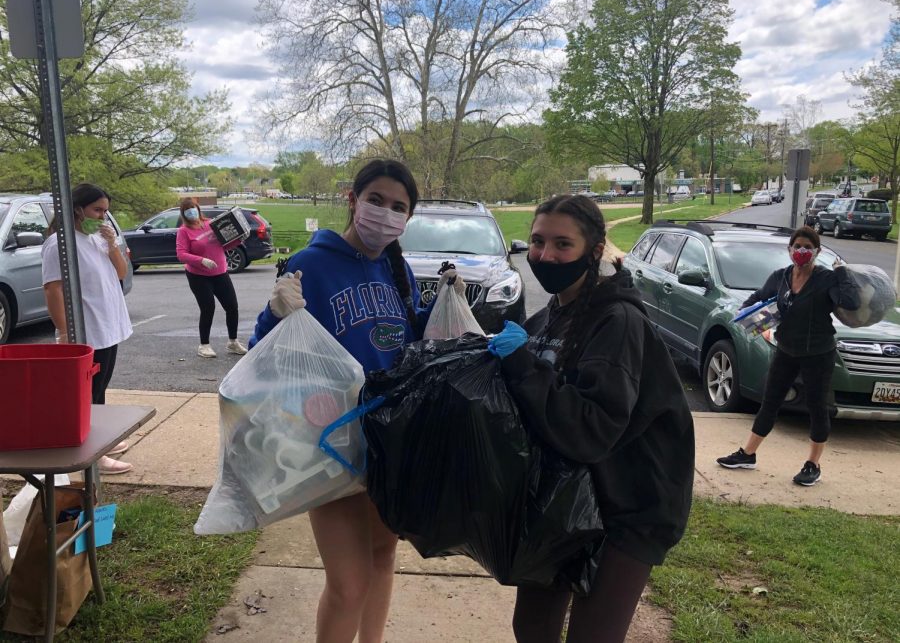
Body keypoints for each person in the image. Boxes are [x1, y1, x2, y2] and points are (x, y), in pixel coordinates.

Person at [249, 159, 456, 643]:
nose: (385, 213)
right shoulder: (311, 264)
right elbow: (268, 355)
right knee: (348, 583)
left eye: (399, 207)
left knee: (383, 558)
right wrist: (273, 315)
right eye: (376, 201)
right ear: (353, 199)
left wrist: (443, 303)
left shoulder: (395, 265)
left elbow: (407, 335)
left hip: (389, 439)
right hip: (333, 442)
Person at [486, 194, 694, 643]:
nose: (545, 255)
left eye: (563, 244)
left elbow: (590, 430)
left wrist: (523, 366)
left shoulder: (618, 321)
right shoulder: (550, 317)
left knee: (593, 635)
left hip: (631, 503)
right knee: (533, 627)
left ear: (595, 249)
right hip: (566, 499)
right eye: (538, 242)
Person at [716, 226, 859, 486]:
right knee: (769, 402)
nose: (802, 252)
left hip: (818, 353)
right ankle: (748, 454)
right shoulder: (781, 277)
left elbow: (850, 303)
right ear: (790, 249)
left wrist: (843, 273)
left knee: (817, 407)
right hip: (786, 350)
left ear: (817, 251)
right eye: (797, 247)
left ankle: (813, 464)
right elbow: (759, 297)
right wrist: (744, 313)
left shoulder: (826, 279)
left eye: (808, 247)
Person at [42, 183, 134, 475]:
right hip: (87, 329)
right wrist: (65, 332)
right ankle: (93, 455)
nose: (103, 217)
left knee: (100, 388)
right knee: (87, 395)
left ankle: (99, 441)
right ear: (78, 209)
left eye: (106, 211)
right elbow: (53, 289)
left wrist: (112, 245)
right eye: (97, 210)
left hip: (108, 326)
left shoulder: (95, 238)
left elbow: (120, 273)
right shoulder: (60, 243)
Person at [175, 199, 248, 358]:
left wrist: (238, 240)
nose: (191, 212)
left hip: (220, 272)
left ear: (198, 209)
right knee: (208, 308)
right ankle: (204, 345)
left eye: (193, 208)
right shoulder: (184, 231)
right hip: (198, 276)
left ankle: (233, 342)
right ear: (184, 214)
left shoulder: (210, 224)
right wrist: (201, 260)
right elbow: (181, 254)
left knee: (232, 306)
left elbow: (224, 246)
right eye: (187, 210)